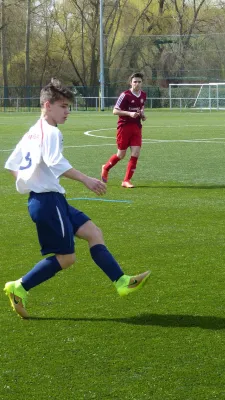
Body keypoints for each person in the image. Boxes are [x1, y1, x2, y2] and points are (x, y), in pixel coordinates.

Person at [3, 78, 151, 319]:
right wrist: (86, 180)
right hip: (47, 202)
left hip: (49, 199)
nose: (67, 112)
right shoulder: (50, 132)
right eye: (63, 106)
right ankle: (19, 286)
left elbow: (11, 165)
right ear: (47, 105)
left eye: (68, 107)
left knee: (93, 232)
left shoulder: (32, 132)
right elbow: (56, 163)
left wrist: (30, 182)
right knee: (66, 258)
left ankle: (121, 281)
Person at [101, 72, 147, 188]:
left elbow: (141, 109)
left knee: (136, 153)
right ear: (131, 83)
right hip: (124, 127)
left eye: (139, 82)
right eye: (135, 81)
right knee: (121, 155)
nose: (137, 83)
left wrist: (142, 115)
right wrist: (129, 113)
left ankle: (126, 180)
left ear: (142, 83)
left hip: (136, 127)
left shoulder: (143, 95)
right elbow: (115, 111)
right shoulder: (125, 95)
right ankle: (106, 167)